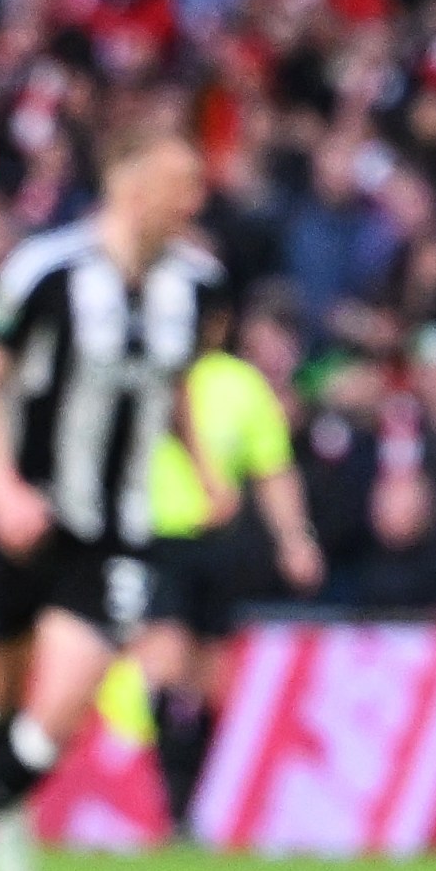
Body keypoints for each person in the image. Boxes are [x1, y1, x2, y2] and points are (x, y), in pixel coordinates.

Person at [0, 122, 225, 871]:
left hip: (117, 529)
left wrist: (202, 467)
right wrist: (0, 488)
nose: (193, 202)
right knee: (3, 678)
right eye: (179, 186)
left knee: (70, 692)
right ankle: (3, 801)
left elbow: (172, 388)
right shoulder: (46, 271)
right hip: (30, 511)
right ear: (129, 189)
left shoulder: (197, 284)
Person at [136, 286, 325, 831]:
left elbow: (273, 471)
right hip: (159, 537)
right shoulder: (151, 376)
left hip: (219, 546)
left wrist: (295, 540)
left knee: (209, 681)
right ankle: (173, 800)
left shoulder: (241, 387)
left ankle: (190, 804)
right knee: (166, 664)